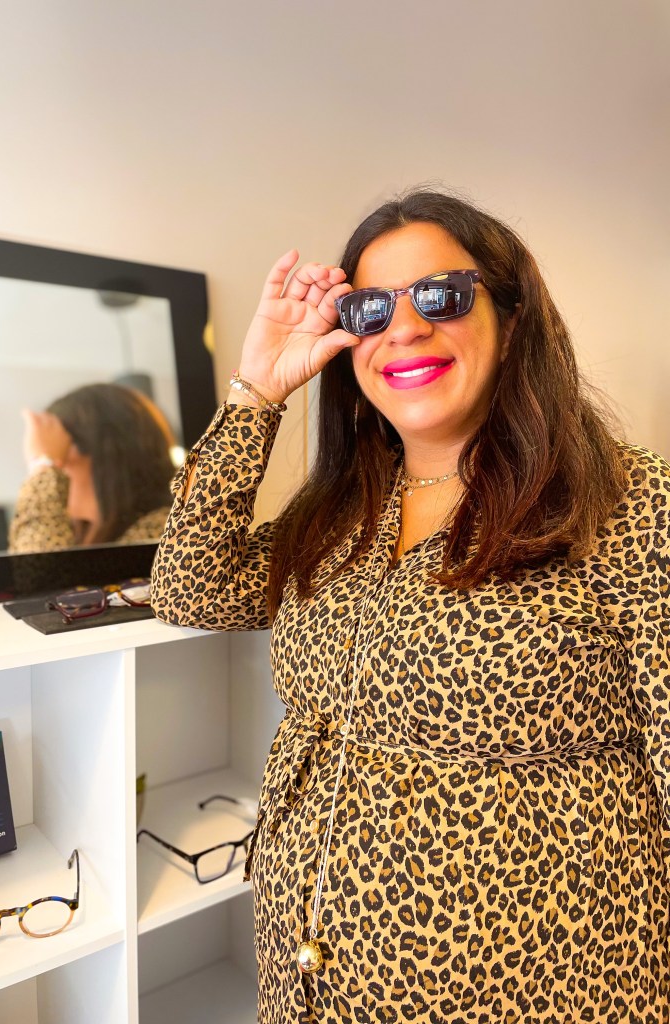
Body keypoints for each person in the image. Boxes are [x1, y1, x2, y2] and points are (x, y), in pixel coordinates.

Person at [150, 188, 670, 1023]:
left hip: (546, 990)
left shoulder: (627, 502)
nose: (404, 328)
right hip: (310, 979)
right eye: (370, 309)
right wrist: (257, 392)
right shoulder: (342, 514)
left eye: (441, 295)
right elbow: (190, 587)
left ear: (512, 318)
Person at [9, 382, 174, 553]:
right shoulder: (83, 536)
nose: (56, 472)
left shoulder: (166, 529)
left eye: (57, 450)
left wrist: (43, 464)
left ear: (103, 452)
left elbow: (40, 568)